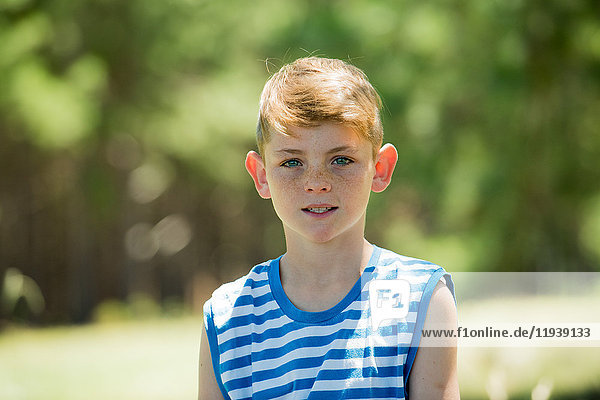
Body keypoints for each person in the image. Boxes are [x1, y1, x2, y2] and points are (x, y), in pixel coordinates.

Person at [198, 56, 459, 400]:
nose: (317, 183)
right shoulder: (228, 319)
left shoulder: (424, 301)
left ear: (380, 168)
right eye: (292, 162)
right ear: (261, 175)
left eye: (341, 160)